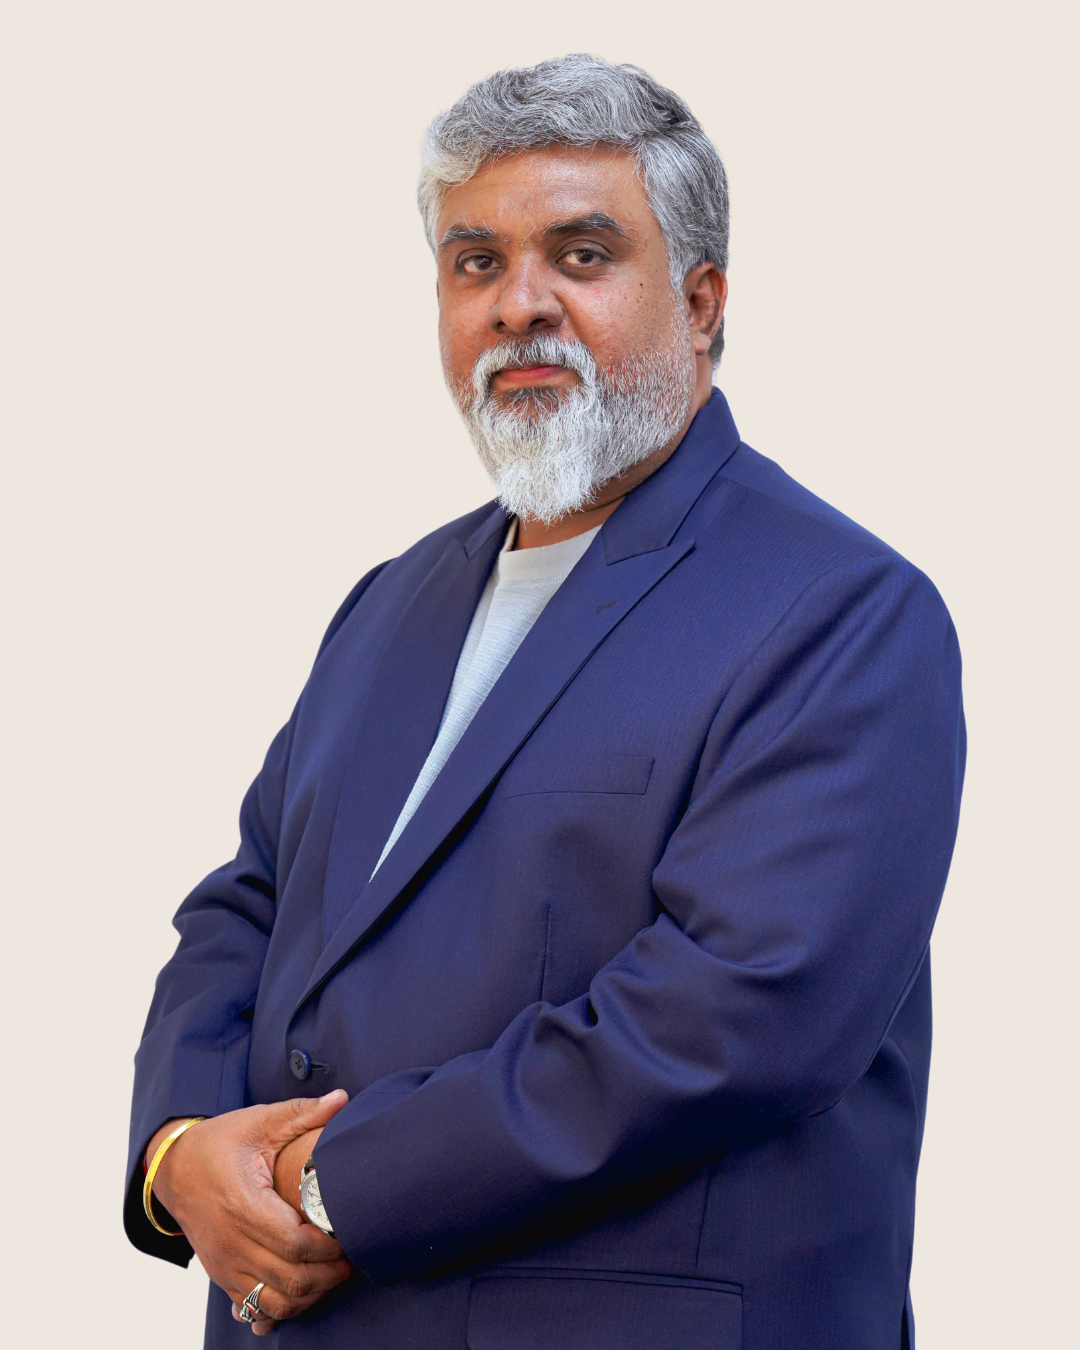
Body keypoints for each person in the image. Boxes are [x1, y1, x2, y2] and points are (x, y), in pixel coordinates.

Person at [126, 54, 965, 1350]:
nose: (520, 303)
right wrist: (179, 1149)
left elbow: (734, 1016)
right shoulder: (392, 603)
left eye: (581, 255)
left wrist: (320, 1185)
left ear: (700, 301)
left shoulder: (841, 613)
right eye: (476, 261)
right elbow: (246, 900)